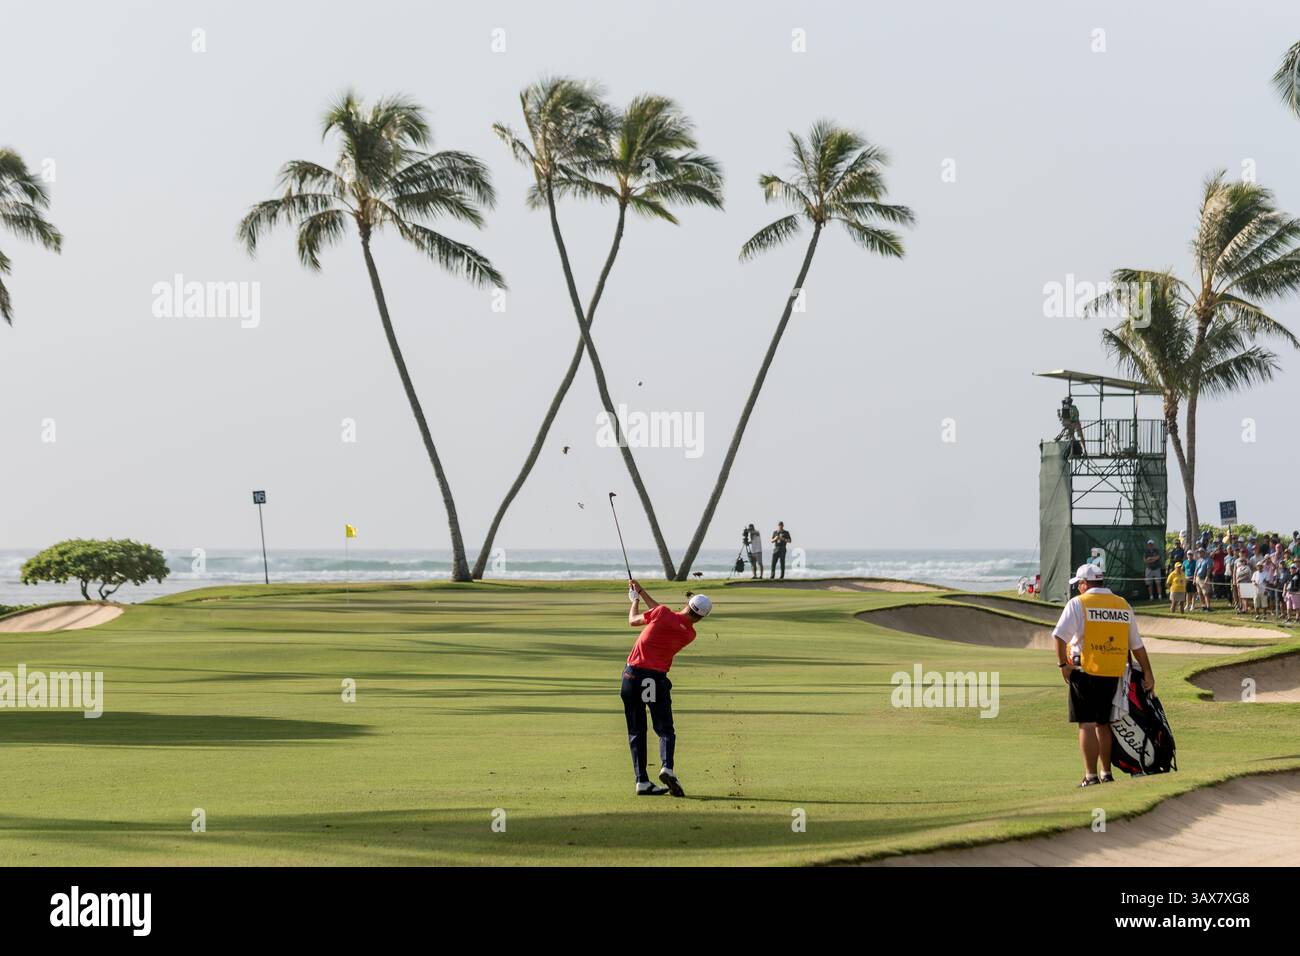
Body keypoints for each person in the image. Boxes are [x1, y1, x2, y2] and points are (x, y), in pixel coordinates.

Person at [1052, 564, 1155, 788]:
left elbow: (1059, 636)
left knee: (1087, 724)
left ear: (1083, 584)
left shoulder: (1079, 603)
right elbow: (1136, 645)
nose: (1077, 588)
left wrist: (1062, 665)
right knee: (1103, 723)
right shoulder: (1122, 604)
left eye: (1078, 585)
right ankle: (1106, 773)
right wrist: (1148, 672)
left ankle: (1090, 777)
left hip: (1085, 671)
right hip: (1113, 673)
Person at [620, 580, 711, 797]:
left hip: (632, 676)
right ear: (701, 618)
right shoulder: (689, 634)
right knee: (665, 730)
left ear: (687, 603)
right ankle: (666, 767)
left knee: (637, 730)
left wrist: (634, 601)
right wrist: (641, 592)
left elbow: (634, 620)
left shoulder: (662, 613)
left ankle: (642, 781)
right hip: (656, 680)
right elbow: (662, 612)